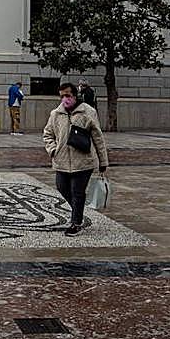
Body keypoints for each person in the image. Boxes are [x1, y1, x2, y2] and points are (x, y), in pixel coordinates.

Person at [43, 81, 109, 236]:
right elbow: (47, 134)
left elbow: (98, 138)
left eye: (68, 95)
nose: (65, 99)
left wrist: (103, 161)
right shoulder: (56, 114)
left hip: (83, 161)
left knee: (77, 191)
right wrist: (53, 150)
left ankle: (75, 223)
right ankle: (78, 211)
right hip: (61, 161)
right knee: (62, 187)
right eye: (62, 96)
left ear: (75, 95)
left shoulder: (88, 112)